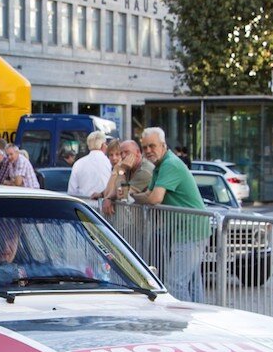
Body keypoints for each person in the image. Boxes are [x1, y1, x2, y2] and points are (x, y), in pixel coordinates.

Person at [132, 127, 209, 302]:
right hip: (188, 229)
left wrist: (135, 198)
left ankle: (183, 322)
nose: (149, 151)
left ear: (163, 145)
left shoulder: (169, 164)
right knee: (192, 284)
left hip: (190, 230)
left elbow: (155, 198)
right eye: (145, 147)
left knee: (175, 284)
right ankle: (197, 323)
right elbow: (148, 195)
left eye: (152, 146)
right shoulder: (161, 165)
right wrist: (133, 197)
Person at [101, 140, 154, 215]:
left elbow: (122, 193)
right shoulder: (129, 167)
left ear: (138, 153)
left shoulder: (144, 170)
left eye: (127, 152)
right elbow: (113, 191)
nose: (123, 156)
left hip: (148, 220)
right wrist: (108, 198)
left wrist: (121, 171)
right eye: (121, 153)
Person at [68, 130, 113, 199]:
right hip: (104, 204)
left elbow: (71, 191)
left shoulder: (78, 163)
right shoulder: (110, 162)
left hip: (84, 206)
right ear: (103, 145)